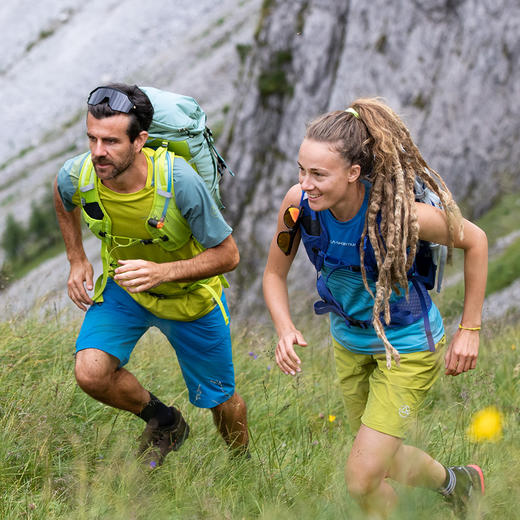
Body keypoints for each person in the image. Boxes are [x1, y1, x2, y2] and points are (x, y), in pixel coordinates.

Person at [263, 99, 487, 518]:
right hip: (349, 344)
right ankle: (461, 485)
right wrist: (284, 327)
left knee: (362, 478)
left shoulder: (399, 215)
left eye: (318, 174)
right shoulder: (297, 206)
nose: (305, 183)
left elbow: (475, 240)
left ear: (352, 173)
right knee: (381, 458)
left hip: (405, 346)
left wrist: (469, 329)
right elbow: (274, 275)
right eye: (301, 169)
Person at [54, 83, 248, 468]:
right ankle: (165, 422)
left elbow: (228, 255)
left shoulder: (180, 181)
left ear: (140, 140)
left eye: (110, 142)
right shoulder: (79, 173)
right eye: (91, 138)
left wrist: (163, 272)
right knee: (90, 373)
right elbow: (62, 197)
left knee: (221, 401)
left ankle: (242, 466)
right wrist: (77, 258)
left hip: (190, 299)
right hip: (127, 290)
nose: (97, 152)